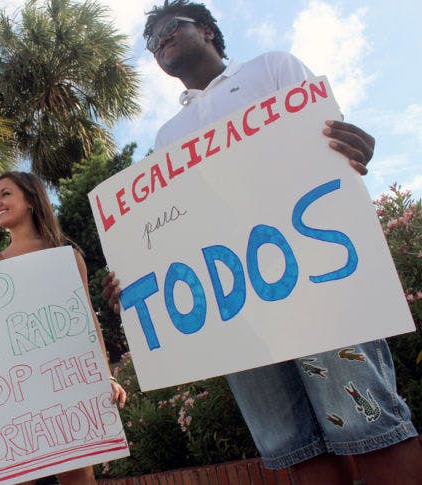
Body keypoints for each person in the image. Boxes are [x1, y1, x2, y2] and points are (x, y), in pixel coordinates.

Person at [101, 2, 422, 484]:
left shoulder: (273, 67)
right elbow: (177, 229)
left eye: (168, 29)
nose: (159, 42)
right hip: (237, 304)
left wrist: (351, 149)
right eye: (151, 41)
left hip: (317, 272)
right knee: (288, 443)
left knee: (367, 419)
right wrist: (138, 277)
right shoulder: (168, 135)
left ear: (207, 30)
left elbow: (326, 145)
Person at [0, 171, 127, 485]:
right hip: (16, 392)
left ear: (31, 201)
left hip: (64, 384)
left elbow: (86, 320)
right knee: (20, 477)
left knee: (77, 474)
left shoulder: (67, 256)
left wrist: (103, 374)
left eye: (6, 194)